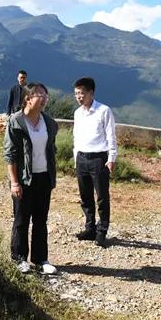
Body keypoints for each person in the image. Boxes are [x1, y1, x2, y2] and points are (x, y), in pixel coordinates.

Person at [3, 82, 59, 275]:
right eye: (40, 95)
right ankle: (19, 258)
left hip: (44, 177)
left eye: (46, 96)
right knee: (21, 219)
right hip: (24, 179)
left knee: (41, 219)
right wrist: (14, 182)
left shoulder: (49, 123)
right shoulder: (16, 122)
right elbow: (10, 154)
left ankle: (40, 259)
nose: (44, 99)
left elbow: (52, 149)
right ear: (28, 98)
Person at [72, 77, 116, 247]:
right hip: (81, 158)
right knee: (85, 196)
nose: (79, 97)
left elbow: (111, 135)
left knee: (102, 197)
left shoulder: (104, 111)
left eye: (82, 93)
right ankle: (90, 228)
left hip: (99, 158)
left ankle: (102, 231)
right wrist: (76, 158)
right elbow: (76, 137)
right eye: (76, 93)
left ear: (91, 93)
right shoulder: (77, 113)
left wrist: (111, 158)